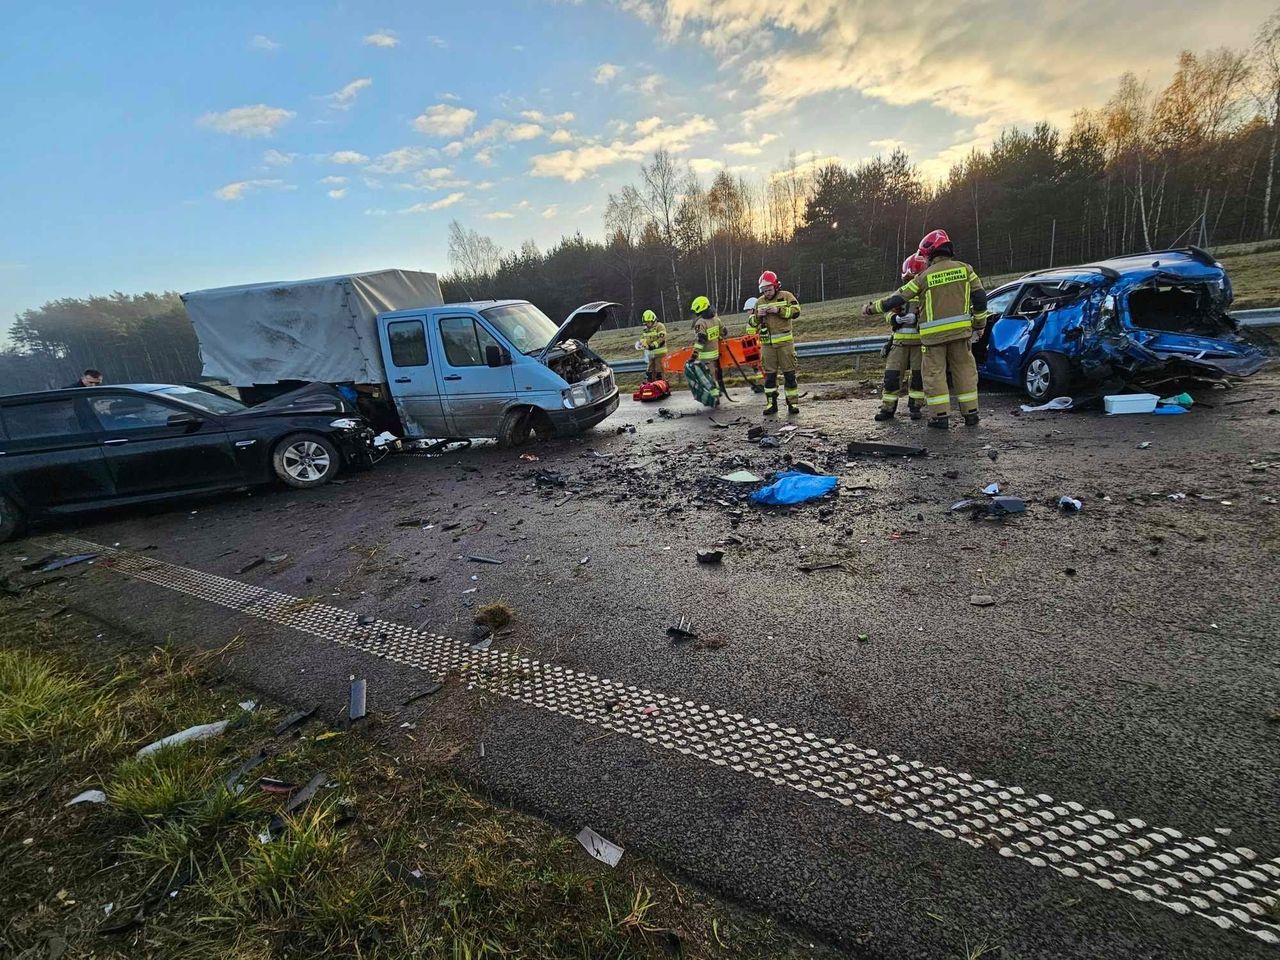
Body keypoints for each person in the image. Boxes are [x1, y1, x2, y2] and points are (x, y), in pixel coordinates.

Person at [863, 229, 986, 429]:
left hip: (933, 339)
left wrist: (870, 309)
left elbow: (897, 298)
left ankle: (940, 416)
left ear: (930, 254)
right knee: (964, 372)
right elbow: (980, 298)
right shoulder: (966, 270)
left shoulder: (925, 277)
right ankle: (971, 414)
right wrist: (979, 325)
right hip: (961, 334)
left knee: (934, 375)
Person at [875, 254, 927, 422]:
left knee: (918, 378)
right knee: (891, 377)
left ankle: (915, 407)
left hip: (920, 343)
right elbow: (889, 310)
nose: (910, 282)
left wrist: (918, 319)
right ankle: (888, 408)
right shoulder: (901, 294)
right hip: (899, 343)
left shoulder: (927, 295)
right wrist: (894, 319)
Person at [747, 270, 801, 415]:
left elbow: (796, 312)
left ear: (776, 286)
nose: (767, 293)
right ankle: (771, 404)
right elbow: (751, 322)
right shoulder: (759, 302)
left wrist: (779, 310)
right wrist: (757, 316)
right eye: (764, 291)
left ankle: (792, 404)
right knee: (769, 377)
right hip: (767, 346)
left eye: (769, 290)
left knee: (789, 375)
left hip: (785, 345)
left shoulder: (786, 296)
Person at [690, 296, 728, 402]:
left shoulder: (700, 323)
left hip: (706, 356)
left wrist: (694, 355)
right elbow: (724, 332)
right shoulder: (716, 319)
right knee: (714, 374)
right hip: (715, 354)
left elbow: (701, 340)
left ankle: (714, 396)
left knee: (707, 376)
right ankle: (717, 391)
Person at [639, 309, 667, 383]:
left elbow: (662, 339)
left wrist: (652, 346)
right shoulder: (646, 329)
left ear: (653, 320)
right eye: (645, 323)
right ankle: (650, 385)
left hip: (660, 353)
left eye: (648, 322)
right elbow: (643, 338)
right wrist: (641, 343)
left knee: (659, 370)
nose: (647, 324)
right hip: (651, 354)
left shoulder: (660, 326)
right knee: (650, 371)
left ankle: (661, 385)